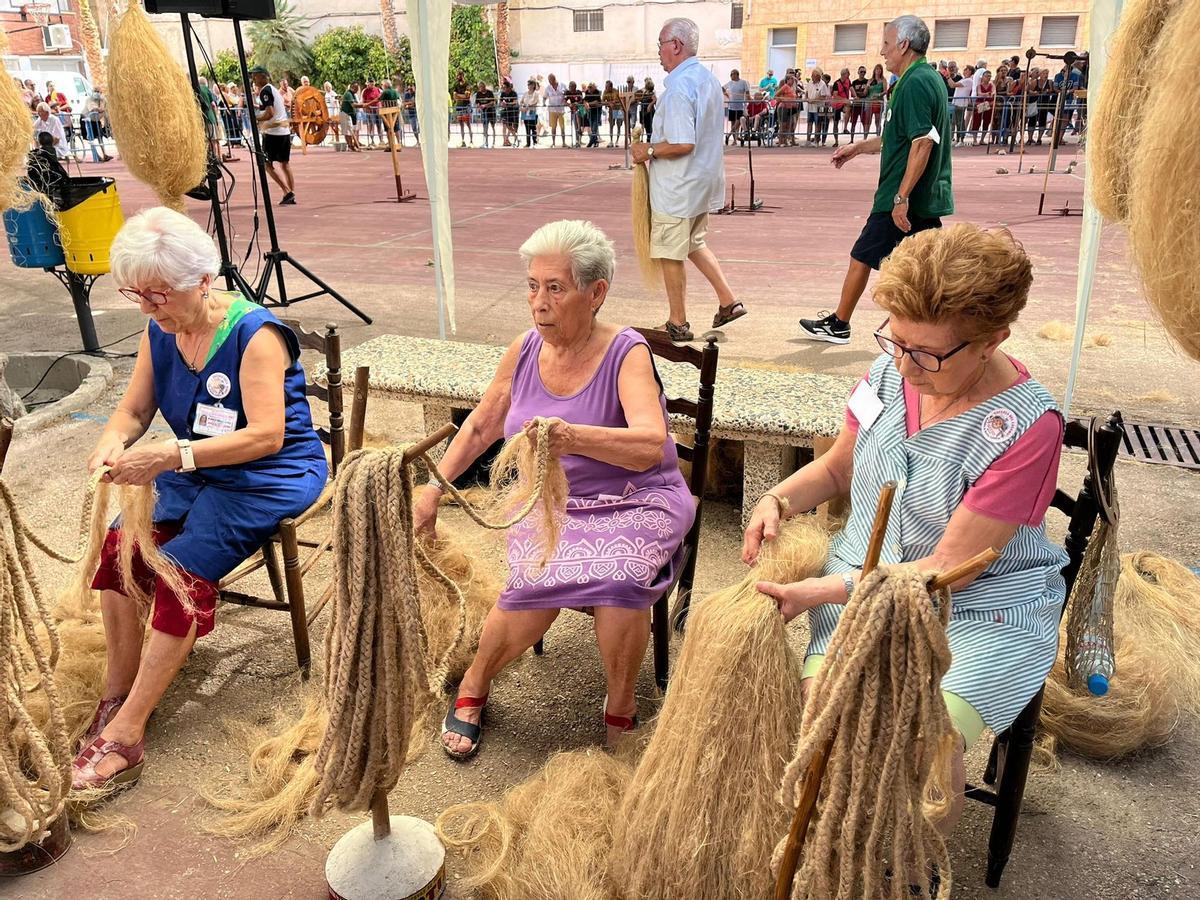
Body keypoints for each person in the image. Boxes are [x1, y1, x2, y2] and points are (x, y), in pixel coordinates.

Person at [746, 224, 1067, 839]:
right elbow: (840, 466)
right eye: (896, 342)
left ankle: (908, 865)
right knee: (825, 717)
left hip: (980, 608)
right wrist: (778, 498)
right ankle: (834, 842)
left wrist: (823, 592)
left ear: (993, 338)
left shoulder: (1025, 427)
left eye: (929, 354)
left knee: (924, 747)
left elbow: (947, 568)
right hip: (860, 576)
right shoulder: (890, 373)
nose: (907, 365)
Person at [70, 207, 327, 790]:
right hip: (197, 466)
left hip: (270, 473)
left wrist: (170, 456)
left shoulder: (254, 334)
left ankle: (127, 734)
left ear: (204, 280)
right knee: (119, 546)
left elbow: (267, 435)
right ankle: (118, 692)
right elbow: (134, 409)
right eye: (136, 294)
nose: (147, 308)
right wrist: (112, 442)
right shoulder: (159, 328)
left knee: (182, 569)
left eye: (158, 294)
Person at [426, 220, 696, 758]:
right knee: (530, 587)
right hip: (550, 504)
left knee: (621, 580)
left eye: (555, 288)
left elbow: (648, 444)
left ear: (596, 293)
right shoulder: (524, 350)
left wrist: (573, 438)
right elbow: (480, 426)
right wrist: (433, 488)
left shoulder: (627, 351)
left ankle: (620, 703)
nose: (538, 303)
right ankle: (475, 682)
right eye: (532, 286)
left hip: (635, 498)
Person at [798, 15, 952, 345]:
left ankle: (840, 323)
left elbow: (922, 142)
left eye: (885, 43)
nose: (882, 52)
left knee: (864, 255)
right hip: (918, 194)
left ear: (904, 45)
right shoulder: (925, 78)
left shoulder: (915, 83)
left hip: (902, 194)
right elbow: (896, 137)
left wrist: (901, 196)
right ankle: (938, 327)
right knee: (926, 270)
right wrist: (856, 148)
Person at [631, 17, 746, 343]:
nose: (659, 53)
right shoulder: (706, 79)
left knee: (671, 251)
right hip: (701, 181)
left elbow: (682, 142)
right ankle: (729, 301)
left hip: (678, 187)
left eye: (660, 46)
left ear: (676, 46)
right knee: (694, 242)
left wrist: (647, 150)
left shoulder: (680, 88)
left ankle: (677, 323)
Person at [249, 65, 297, 205]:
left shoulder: (265, 91)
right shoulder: (274, 90)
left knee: (266, 164)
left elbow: (270, 112)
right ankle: (291, 193)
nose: (253, 78)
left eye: (255, 75)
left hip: (273, 133)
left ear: (263, 76)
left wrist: (256, 118)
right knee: (284, 164)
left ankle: (287, 191)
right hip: (283, 132)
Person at [27, 131, 69, 207]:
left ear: (39, 142)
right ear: (52, 141)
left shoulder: (35, 154)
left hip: (40, 183)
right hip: (54, 181)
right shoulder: (52, 151)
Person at [82, 88, 114, 163]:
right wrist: (100, 109)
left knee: (100, 137)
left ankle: (104, 154)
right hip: (87, 120)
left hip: (96, 120)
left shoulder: (103, 100)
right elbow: (93, 109)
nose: (96, 93)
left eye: (98, 92)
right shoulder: (89, 100)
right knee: (91, 138)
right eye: (95, 92)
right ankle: (96, 155)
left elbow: (106, 109)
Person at [196, 75, 221, 162]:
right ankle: (213, 157)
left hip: (200, 118)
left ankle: (207, 158)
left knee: (205, 139)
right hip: (210, 117)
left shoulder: (195, 88)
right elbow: (213, 104)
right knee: (212, 139)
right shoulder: (206, 89)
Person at [723, 68, 750, 143]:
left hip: (740, 106)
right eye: (731, 74)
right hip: (732, 106)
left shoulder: (743, 82)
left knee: (738, 122)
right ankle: (734, 140)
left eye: (732, 74)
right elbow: (722, 88)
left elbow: (747, 92)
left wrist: (749, 99)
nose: (731, 76)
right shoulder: (730, 83)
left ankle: (728, 135)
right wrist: (727, 95)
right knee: (733, 123)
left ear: (736, 75)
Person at [803, 68, 829, 146]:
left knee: (818, 124)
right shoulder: (810, 82)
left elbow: (823, 96)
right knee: (809, 123)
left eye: (813, 75)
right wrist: (807, 98)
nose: (811, 77)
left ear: (818, 76)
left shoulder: (823, 84)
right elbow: (806, 92)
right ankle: (808, 141)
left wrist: (813, 100)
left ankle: (816, 141)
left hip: (819, 107)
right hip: (810, 107)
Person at [969, 70, 995, 145]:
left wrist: (989, 94)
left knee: (986, 122)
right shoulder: (979, 86)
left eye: (990, 76)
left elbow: (993, 92)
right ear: (983, 77)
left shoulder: (992, 85)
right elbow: (979, 93)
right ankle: (974, 140)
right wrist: (986, 94)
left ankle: (982, 139)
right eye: (987, 76)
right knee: (977, 121)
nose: (988, 78)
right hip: (980, 105)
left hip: (989, 105)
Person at [774, 73, 799, 146]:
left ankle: (784, 141)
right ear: (787, 80)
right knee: (783, 125)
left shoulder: (791, 88)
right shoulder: (785, 87)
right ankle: (781, 141)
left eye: (793, 80)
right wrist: (783, 99)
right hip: (783, 108)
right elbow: (776, 95)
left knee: (788, 125)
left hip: (790, 108)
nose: (793, 81)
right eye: (791, 79)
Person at [830, 68, 853, 146]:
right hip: (836, 104)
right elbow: (835, 95)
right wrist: (844, 100)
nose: (849, 75)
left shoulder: (848, 81)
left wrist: (856, 96)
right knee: (835, 123)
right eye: (848, 74)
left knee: (848, 108)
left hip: (844, 103)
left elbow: (851, 89)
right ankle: (836, 141)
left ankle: (845, 128)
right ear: (843, 74)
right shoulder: (836, 83)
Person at [952, 65, 974, 145]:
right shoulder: (964, 79)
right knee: (956, 121)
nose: (964, 71)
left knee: (960, 122)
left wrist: (947, 77)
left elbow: (953, 85)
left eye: (966, 69)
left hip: (961, 104)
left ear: (970, 71)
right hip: (957, 103)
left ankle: (961, 139)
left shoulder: (968, 80)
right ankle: (957, 139)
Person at [544, 73, 566, 147]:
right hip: (552, 110)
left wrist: (565, 101)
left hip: (561, 110)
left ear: (554, 79)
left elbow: (566, 95)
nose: (550, 82)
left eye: (551, 80)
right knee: (553, 127)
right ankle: (553, 143)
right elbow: (545, 97)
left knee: (562, 126)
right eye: (549, 80)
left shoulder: (563, 85)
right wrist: (544, 103)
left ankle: (564, 142)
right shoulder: (548, 88)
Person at [451, 72, 472, 147]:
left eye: (458, 75)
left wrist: (458, 95)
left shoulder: (467, 85)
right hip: (459, 106)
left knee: (468, 124)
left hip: (466, 106)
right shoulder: (456, 85)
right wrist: (461, 96)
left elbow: (467, 96)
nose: (457, 77)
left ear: (462, 76)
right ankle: (463, 141)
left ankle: (471, 141)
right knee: (461, 125)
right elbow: (454, 97)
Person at [865, 63, 886, 136]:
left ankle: (878, 137)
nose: (878, 71)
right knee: (867, 121)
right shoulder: (870, 80)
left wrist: (879, 94)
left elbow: (885, 91)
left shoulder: (883, 80)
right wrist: (867, 86)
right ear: (874, 70)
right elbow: (865, 92)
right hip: (869, 102)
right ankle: (865, 139)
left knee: (877, 121)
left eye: (880, 69)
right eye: (877, 69)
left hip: (878, 102)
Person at [340, 81, 362, 152]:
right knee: (348, 131)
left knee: (350, 130)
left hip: (350, 114)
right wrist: (363, 105)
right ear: (353, 87)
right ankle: (350, 145)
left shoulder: (352, 94)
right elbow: (353, 105)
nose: (357, 90)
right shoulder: (348, 94)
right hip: (345, 113)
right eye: (356, 88)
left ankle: (352, 145)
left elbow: (355, 103)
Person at [475, 80, 497, 148]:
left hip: (491, 112)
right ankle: (485, 142)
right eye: (479, 87)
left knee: (493, 127)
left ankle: (493, 142)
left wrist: (485, 105)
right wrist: (478, 106)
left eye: (481, 86)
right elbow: (477, 102)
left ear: (484, 86)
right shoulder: (478, 94)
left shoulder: (489, 92)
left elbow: (493, 102)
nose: (480, 88)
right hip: (484, 113)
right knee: (485, 128)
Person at [361, 78, 382, 147]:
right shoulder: (365, 91)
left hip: (377, 110)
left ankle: (381, 140)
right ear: (368, 83)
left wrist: (380, 106)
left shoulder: (378, 90)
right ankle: (372, 140)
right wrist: (365, 108)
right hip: (370, 111)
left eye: (373, 82)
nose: (372, 84)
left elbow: (380, 99)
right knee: (371, 125)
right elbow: (363, 101)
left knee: (379, 125)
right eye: (370, 83)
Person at [850, 66, 870, 141]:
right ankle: (851, 139)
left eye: (864, 72)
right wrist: (860, 94)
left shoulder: (867, 81)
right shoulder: (854, 82)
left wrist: (858, 94)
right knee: (853, 123)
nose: (863, 73)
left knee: (864, 122)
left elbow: (866, 93)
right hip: (855, 105)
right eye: (861, 71)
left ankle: (864, 139)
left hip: (863, 104)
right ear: (858, 72)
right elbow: (852, 94)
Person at [519, 78, 540, 147]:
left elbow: (535, 102)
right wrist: (522, 107)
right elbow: (521, 101)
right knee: (527, 128)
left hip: (532, 112)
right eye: (528, 84)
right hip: (525, 113)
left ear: (534, 85)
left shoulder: (536, 93)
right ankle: (528, 143)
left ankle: (535, 142)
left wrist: (528, 106)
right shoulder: (525, 93)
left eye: (530, 84)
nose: (529, 86)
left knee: (533, 128)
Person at [498, 77, 519, 148]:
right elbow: (500, 102)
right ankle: (506, 139)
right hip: (505, 111)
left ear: (508, 87)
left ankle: (513, 138)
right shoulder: (503, 94)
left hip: (513, 112)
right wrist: (502, 104)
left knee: (511, 127)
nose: (503, 89)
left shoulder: (514, 93)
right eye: (503, 87)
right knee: (505, 125)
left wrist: (507, 104)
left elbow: (515, 102)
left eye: (504, 87)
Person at [583, 81, 602, 148]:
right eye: (589, 87)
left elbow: (596, 102)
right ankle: (595, 141)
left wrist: (588, 104)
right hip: (590, 112)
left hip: (597, 111)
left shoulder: (597, 92)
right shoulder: (587, 92)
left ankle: (591, 142)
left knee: (594, 128)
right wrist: (586, 103)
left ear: (594, 88)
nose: (589, 89)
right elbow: (584, 100)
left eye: (591, 87)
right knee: (592, 128)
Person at [602, 80, 621, 146]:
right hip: (611, 110)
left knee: (618, 126)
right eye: (605, 86)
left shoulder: (615, 91)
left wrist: (610, 103)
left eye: (606, 87)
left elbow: (615, 101)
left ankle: (617, 141)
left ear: (610, 87)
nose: (605, 88)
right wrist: (608, 103)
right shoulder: (605, 91)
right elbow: (602, 101)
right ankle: (611, 141)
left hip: (618, 110)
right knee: (611, 126)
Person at [639, 77, 656, 142]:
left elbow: (655, 100)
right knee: (646, 126)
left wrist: (650, 105)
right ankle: (648, 139)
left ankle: (650, 139)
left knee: (650, 126)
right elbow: (640, 99)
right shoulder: (644, 92)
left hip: (650, 112)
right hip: (644, 112)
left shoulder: (652, 93)